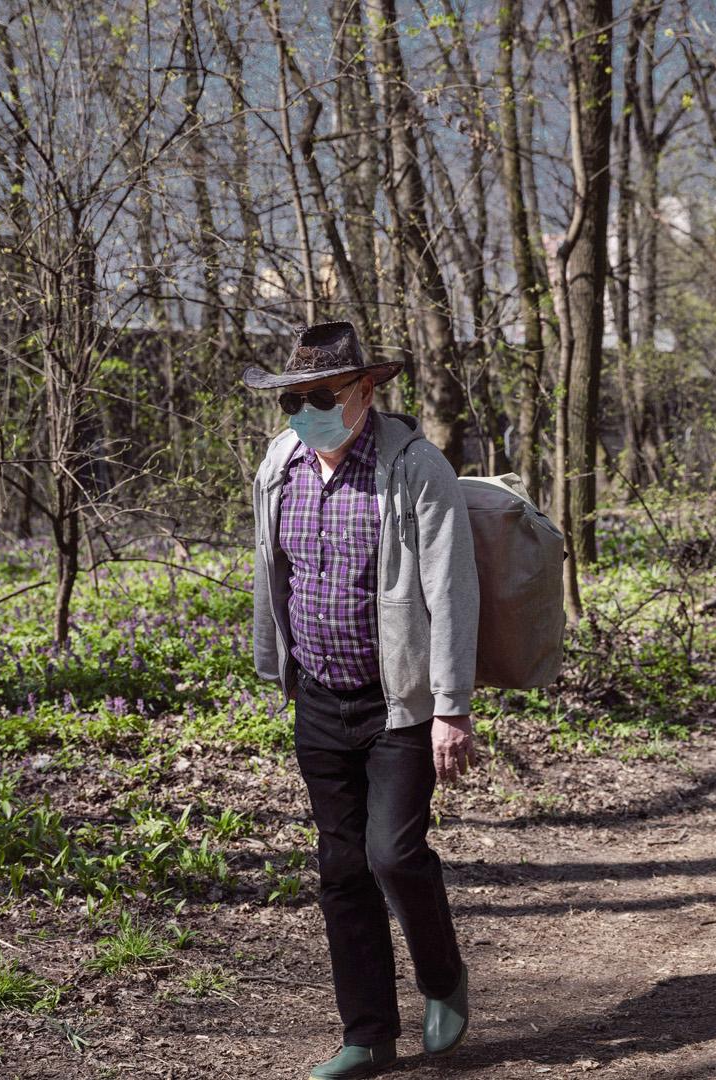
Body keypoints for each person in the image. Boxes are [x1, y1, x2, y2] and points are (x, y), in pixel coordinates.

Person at [245, 320, 479, 1079]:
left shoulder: (417, 470)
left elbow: (451, 592)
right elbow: (270, 572)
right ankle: (368, 1034)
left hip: (398, 705)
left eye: (320, 396)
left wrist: (451, 707)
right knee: (341, 868)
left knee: (393, 854)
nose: (304, 411)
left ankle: (443, 981)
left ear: (364, 390)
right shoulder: (280, 464)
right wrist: (272, 667)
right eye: (293, 399)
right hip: (316, 695)